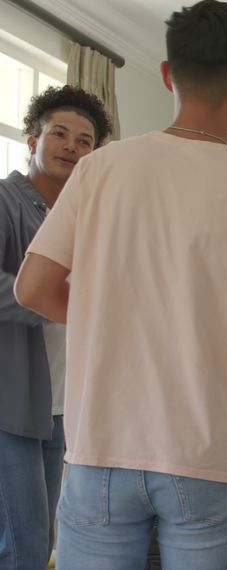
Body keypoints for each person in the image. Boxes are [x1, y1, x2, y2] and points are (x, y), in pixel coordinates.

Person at [15, 1, 227, 567]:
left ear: (166, 74)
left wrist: (109, 316)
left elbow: (32, 288)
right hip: (207, 455)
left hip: (99, 450)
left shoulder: (98, 170)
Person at [0, 85, 111, 570]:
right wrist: (61, 298)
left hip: (61, 405)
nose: (71, 146)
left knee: (38, 544)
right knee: (24, 547)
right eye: (59, 134)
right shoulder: (6, 201)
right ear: (32, 141)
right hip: (9, 402)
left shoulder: (86, 217)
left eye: (84, 140)